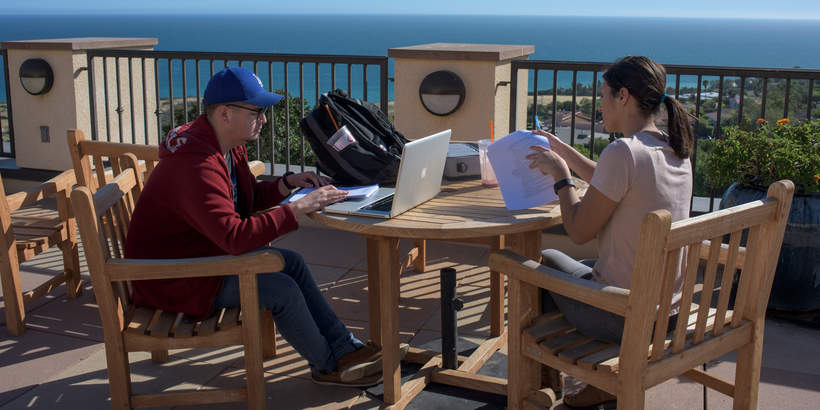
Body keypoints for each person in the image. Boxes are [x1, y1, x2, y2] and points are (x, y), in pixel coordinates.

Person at [125, 66, 383, 387]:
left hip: (203, 257)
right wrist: (298, 209)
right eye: (257, 111)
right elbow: (234, 237)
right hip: (177, 278)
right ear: (224, 113)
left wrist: (287, 185)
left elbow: (242, 200)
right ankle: (328, 366)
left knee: (293, 263)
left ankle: (345, 347)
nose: (264, 119)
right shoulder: (196, 164)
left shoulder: (225, 147)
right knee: (281, 290)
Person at [525, 56, 693, 407]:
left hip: (625, 315)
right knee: (582, 265)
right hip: (669, 311)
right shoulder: (674, 150)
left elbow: (578, 231)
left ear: (623, 96)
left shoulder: (624, 153)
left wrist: (561, 178)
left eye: (603, 96)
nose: (599, 105)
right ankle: (594, 385)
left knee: (541, 264)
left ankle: (548, 384)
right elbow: (610, 180)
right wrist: (562, 151)